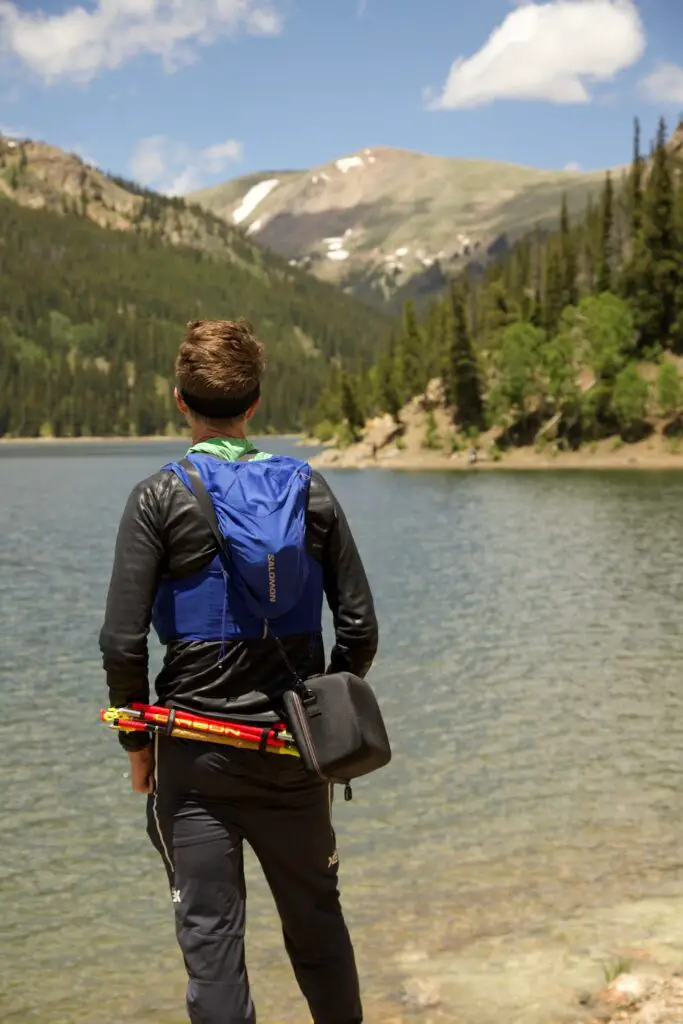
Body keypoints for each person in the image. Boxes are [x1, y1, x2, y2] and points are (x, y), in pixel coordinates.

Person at [99, 318, 379, 1024]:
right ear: (255, 404)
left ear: (178, 401)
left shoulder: (157, 498)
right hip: (293, 756)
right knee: (317, 926)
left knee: (213, 945)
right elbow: (359, 629)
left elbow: (121, 642)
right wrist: (325, 720)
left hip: (195, 766)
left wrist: (138, 749)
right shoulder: (308, 488)